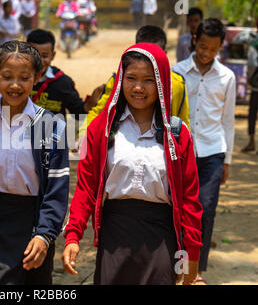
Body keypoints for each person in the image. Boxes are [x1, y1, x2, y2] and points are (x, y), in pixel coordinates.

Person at [62, 42, 202, 285]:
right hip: (114, 234)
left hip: (161, 237)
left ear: (161, 82)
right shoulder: (101, 130)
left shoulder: (177, 134)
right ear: (120, 79)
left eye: (148, 79)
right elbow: (86, 188)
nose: (138, 87)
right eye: (131, 78)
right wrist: (73, 234)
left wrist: (192, 253)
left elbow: (190, 198)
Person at [0, 40, 69, 285]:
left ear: (36, 78)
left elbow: (56, 190)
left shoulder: (51, 126)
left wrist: (45, 234)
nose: (15, 85)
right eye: (7, 76)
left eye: (24, 77)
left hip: (34, 225)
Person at [172, 18, 236, 285]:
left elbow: (228, 122)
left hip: (212, 152)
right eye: (202, 46)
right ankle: (177, 265)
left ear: (221, 47)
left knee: (205, 209)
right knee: (177, 210)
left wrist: (227, 161)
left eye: (213, 48)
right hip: (182, 152)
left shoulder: (227, 77)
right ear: (194, 40)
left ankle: (196, 270)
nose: (206, 53)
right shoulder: (177, 72)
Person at [79, 25, 190, 141]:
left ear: (164, 54)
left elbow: (183, 122)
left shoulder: (176, 84)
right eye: (143, 55)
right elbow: (99, 113)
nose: (138, 88)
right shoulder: (119, 80)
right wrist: (82, 137)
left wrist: (184, 146)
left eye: (148, 80)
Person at [26, 29, 101, 117]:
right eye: (35, 55)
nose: (39, 61)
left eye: (45, 56)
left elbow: (78, 112)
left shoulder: (63, 82)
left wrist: (91, 102)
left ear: (53, 56)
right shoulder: (16, 79)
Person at [241, 17, 258, 153]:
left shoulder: (254, 42)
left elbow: (252, 63)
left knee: (252, 113)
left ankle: (252, 142)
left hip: (256, 85)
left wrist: (249, 79)